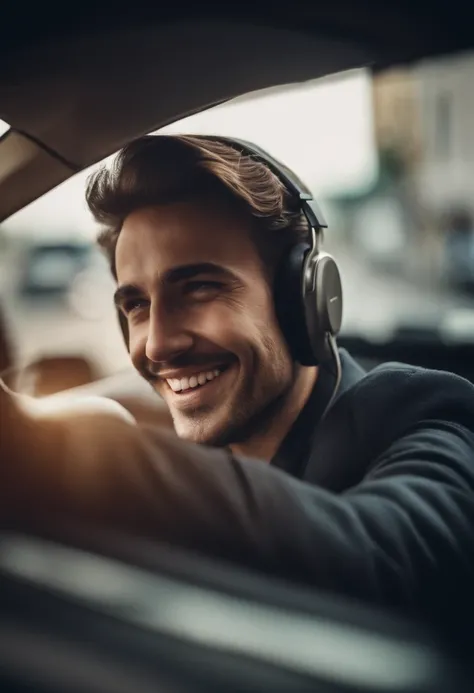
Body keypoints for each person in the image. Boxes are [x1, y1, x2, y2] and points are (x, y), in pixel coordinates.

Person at [2, 134, 474, 635]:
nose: (158, 345)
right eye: (137, 305)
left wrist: (50, 453)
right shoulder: (179, 415)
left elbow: (380, 556)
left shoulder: (424, 413)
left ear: (304, 300)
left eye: (200, 288)